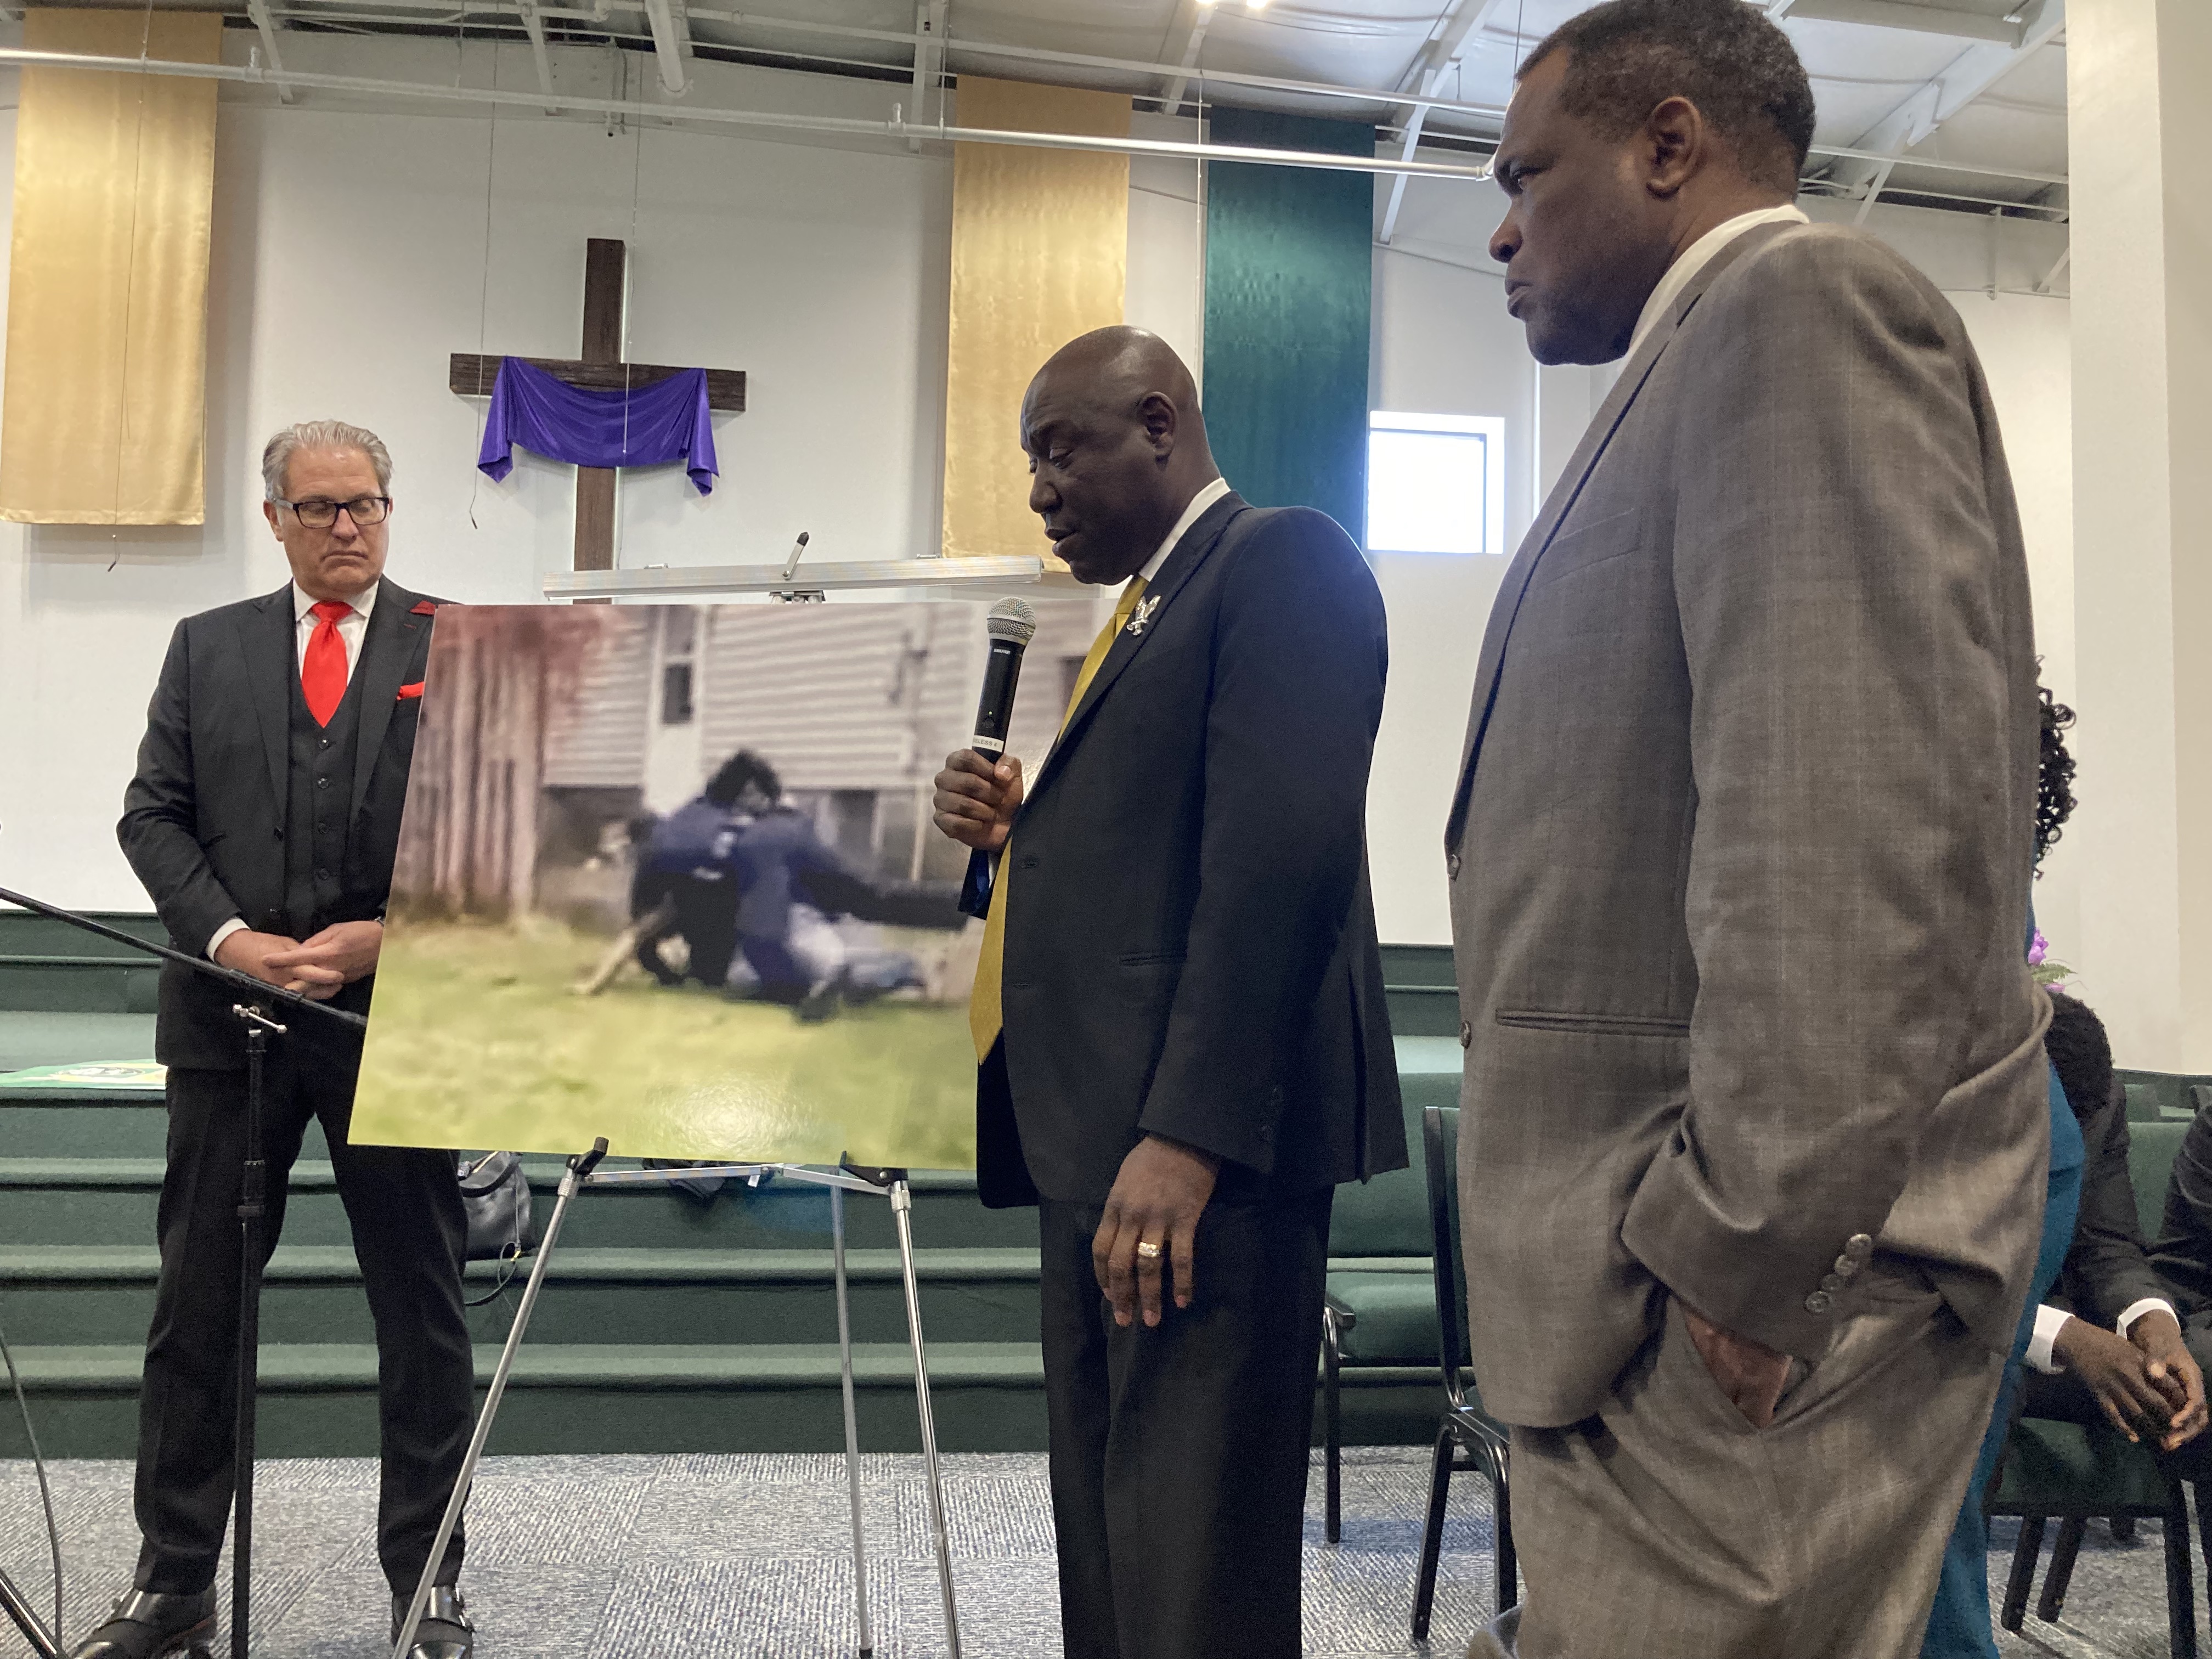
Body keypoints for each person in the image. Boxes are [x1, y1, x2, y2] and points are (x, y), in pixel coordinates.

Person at [1444, 5, 2049, 1656]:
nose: (1497, 226)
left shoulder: (1802, 310)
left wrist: (1749, 1253)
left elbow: (1848, 826)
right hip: (1646, 1301)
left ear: (1666, 146)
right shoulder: (1693, 369)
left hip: (1733, 1309)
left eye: (1525, 174)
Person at [930, 325, 1403, 1659]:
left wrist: (1187, 1138)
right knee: (1117, 1530)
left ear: (1158, 421)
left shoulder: (1283, 561)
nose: (1038, 488)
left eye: (1057, 448)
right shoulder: (1147, 605)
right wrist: (1018, 835)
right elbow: (1160, 856)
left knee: (1197, 1561)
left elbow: (1279, 866)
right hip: (1105, 1142)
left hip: (1198, 1164)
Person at [91, 422, 477, 1659]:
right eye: (319, 507)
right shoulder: (205, 650)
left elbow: (504, 831)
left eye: (366, 502)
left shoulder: (457, 646)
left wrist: (390, 938)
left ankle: (431, 1583)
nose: (348, 525)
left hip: (395, 1018)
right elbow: (150, 817)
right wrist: (228, 938)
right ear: (275, 519)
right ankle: (175, 1581)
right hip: (231, 1023)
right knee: (197, 1306)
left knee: (420, 1310)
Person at [1921, 686, 2089, 1659]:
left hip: (1978, 1163)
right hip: (1987, 1148)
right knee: (1918, 1518)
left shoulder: (1952, 751)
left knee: (1920, 1513)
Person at [2022, 990, 2209, 1459]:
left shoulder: (2099, 1101)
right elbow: (1915, 1273)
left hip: (2067, 1315)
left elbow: (2106, 1245)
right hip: (1943, 1340)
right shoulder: (1925, 1114)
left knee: (2184, 1382)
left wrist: (2154, 1325)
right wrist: (2068, 1338)